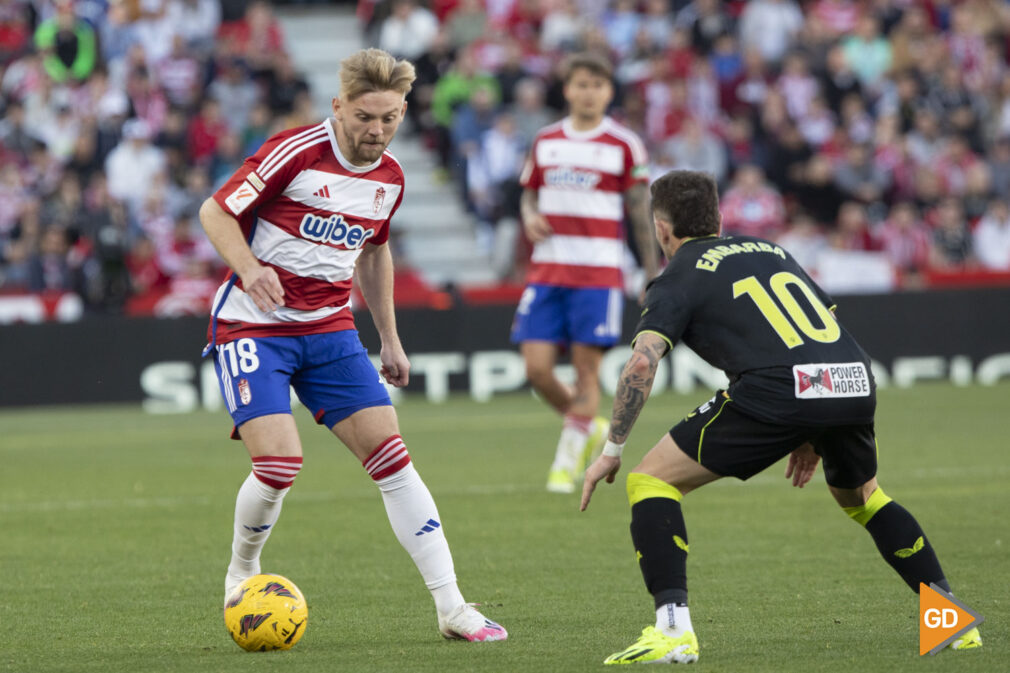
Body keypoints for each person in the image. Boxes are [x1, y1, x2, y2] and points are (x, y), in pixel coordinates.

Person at [579, 170, 982, 664]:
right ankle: (952, 621)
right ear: (720, 215)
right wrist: (811, 431)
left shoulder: (677, 276)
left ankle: (672, 630)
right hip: (852, 377)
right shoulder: (770, 250)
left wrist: (611, 449)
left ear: (662, 228)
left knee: (649, 482)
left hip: (781, 389)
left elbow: (642, 361)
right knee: (863, 498)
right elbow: (822, 328)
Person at [199, 48, 506, 643]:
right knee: (281, 464)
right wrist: (249, 266)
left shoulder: (389, 177)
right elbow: (216, 211)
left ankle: (453, 607)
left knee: (393, 459)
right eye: (366, 116)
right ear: (338, 107)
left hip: (329, 327)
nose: (377, 130)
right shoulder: (295, 152)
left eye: (390, 118)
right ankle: (241, 572)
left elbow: (373, 250)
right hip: (253, 326)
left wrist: (389, 337)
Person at [513, 51, 657, 495]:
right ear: (568, 89)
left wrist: (653, 271)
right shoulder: (546, 140)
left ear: (608, 91)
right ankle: (586, 426)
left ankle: (565, 463)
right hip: (548, 271)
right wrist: (529, 215)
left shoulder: (624, 144)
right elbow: (528, 195)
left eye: (597, 85)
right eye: (581, 84)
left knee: (585, 373)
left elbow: (640, 211)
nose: (589, 92)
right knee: (536, 369)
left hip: (599, 275)